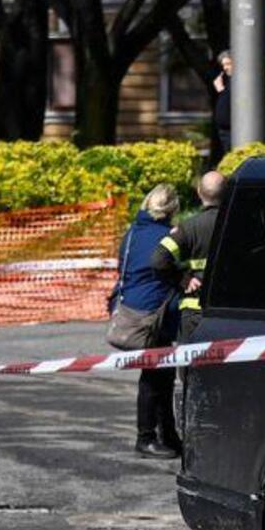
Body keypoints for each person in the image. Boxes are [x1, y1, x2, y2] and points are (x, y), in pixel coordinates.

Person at [114, 184, 184, 458]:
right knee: (156, 377)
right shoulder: (167, 237)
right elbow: (172, 268)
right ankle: (147, 437)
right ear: (171, 209)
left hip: (133, 308)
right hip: (154, 314)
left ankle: (168, 435)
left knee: (159, 375)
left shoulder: (131, 234)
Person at [151, 170, 225, 347]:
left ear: (199, 192)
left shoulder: (188, 228)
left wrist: (181, 278)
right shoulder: (240, 226)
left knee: (191, 370)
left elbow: (158, 260)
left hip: (194, 313)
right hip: (228, 313)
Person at [210, 51, 234, 167]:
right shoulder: (229, 81)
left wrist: (220, 89)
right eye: (223, 65)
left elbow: (229, 100)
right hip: (224, 131)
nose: (225, 68)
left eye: (228, 64)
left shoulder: (238, 81)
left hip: (231, 131)